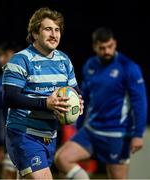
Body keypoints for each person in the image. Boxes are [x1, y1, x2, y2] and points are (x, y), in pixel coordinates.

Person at [55, 27, 148, 179]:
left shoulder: (129, 67)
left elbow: (140, 101)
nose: (107, 51)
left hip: (117, 134)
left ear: (115, 43)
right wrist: (77, 125)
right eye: (102, 48)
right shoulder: (90, 65)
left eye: (110, 46)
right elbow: (83, 97)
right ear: (95, 47)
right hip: (91, 130)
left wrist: (138, 134)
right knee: (62, 158)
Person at [2, 7, 83, 179]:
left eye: (57, 30)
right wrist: (45, 103)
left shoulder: (64, 60)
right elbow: (10, 97)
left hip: (50, 136)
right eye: (48, 29)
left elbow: (73, 91)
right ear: (34, 33)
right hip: (24, 134)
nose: (54, 34)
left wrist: (77, 102)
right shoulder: (20, 59)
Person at [0, 41, 21, 178]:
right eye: (0, 55)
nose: (1, 59)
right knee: (8, 175)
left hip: (30, 139)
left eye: (5, 54)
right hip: (11, 140)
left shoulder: (30, 78)